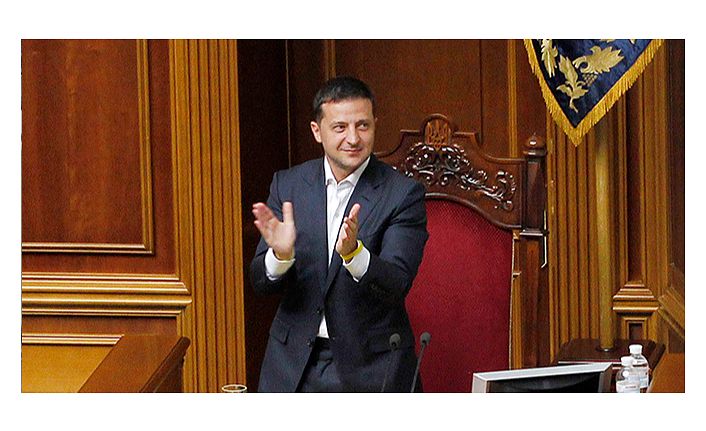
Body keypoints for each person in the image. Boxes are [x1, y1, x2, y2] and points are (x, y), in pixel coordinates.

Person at [250, 76, 428, 392]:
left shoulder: (402, 194)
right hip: (292, 366)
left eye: (363, 125)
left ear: (375, 124)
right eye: (340, 127)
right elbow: (260, 283)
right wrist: (281, 255)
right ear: (317, 131)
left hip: (371, 367)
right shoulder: (288, 185)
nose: (353, 138)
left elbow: (397, 283)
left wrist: (354, 255)